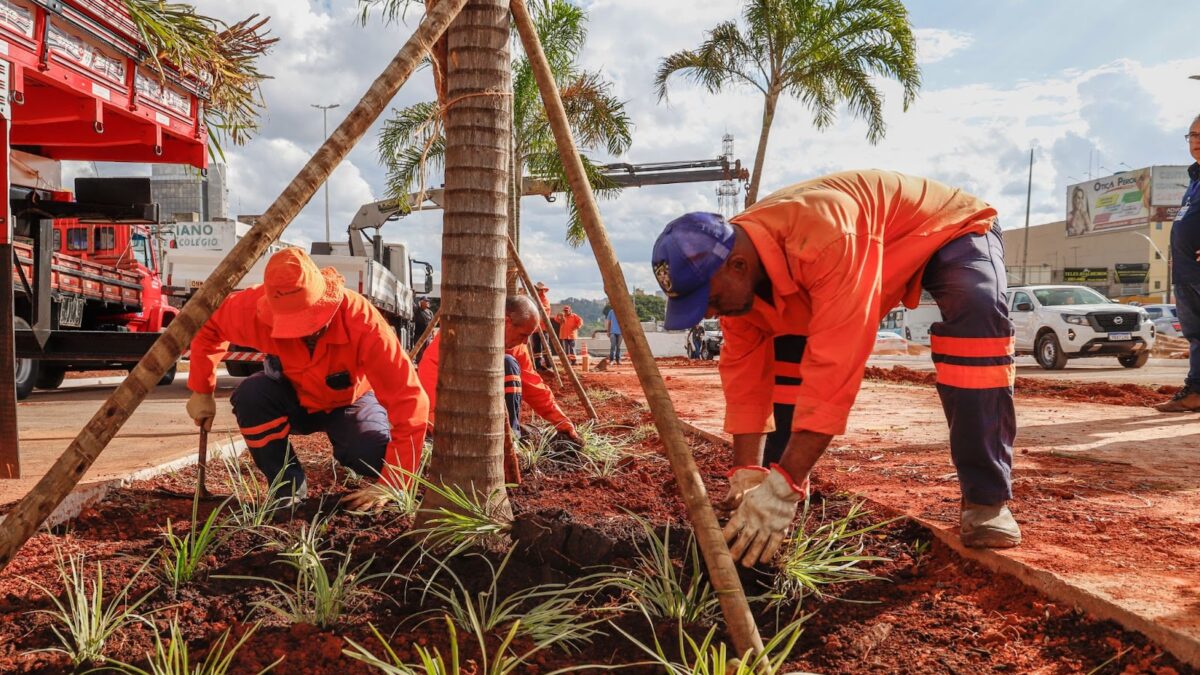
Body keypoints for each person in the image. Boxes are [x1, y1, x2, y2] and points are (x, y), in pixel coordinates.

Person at [652, 170, 1020, 567]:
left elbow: (836, 366)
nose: (708, 313)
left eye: (711, 300)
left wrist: (783, 486)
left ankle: (986, 498)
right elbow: (746, 380)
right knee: (787, 363)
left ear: (739, 266)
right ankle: (781, 503)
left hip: (944, 231)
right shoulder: (736, 271)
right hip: (851, 257)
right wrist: (748, 473)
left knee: (977, 316)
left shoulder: (824, 237)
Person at [185, 248, 429, 512]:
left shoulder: (361, 320)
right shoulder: (251, 308)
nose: (304, 333)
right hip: (293, 396)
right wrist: (201, 389)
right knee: (251, 396)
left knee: (369, 454)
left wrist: (394, 482)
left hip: (350, 401)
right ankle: (285, 488)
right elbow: (207, 326)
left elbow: (409, 400)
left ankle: (380, 467)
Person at [418, 295, 583, 449]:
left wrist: (561, 421)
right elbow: (430, 375)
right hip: (454, 416)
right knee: (507, 363)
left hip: (485, 418)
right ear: (506, 321)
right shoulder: (461, 331)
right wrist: (439, 428)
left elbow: (533, 385)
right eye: (523, 334)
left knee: (509, 364)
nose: (526, 341)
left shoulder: (517, 346)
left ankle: (510, 440)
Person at [1156, 114, 1200, 412]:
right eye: (1192, 135)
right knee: (1196, 336)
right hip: (1187, 275)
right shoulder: (1194, 180)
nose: (1196, 141)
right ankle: (1196, 392)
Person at [531, 281, 554, 370]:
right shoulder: (535, 298)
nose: (539, 291)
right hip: (535, 327)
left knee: (545, 346)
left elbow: (545, 308)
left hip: (543, 327)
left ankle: (549, 364)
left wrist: (536, 307)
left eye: (540, 290)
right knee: (536, 347)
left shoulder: (544, 299)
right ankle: (538, 364)